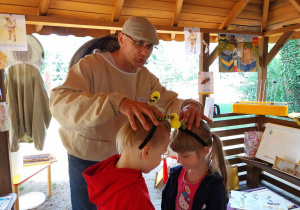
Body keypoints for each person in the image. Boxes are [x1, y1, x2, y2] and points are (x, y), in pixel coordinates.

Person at [50, 16, 209, 210]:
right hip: (87, 158)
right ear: (121, 38)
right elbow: (60, 102)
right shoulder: (91, 66)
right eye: (139, 43)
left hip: (123, 160)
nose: (145, 52)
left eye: (150, 46)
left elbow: (169, 101)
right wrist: (117, 103)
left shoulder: (145, 77)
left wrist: (188, 105)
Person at [83, 115, 170, 209]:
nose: (162, 158)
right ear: (146, 152)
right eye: (162, 153)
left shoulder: (108, 170)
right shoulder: (135, 198)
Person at [161, 120, 229, 210]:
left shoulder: (214, 185)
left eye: (185, 156)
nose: (178, 160)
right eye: (177, 154)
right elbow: (166, 201)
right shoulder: (175, 174)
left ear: (204, 151)